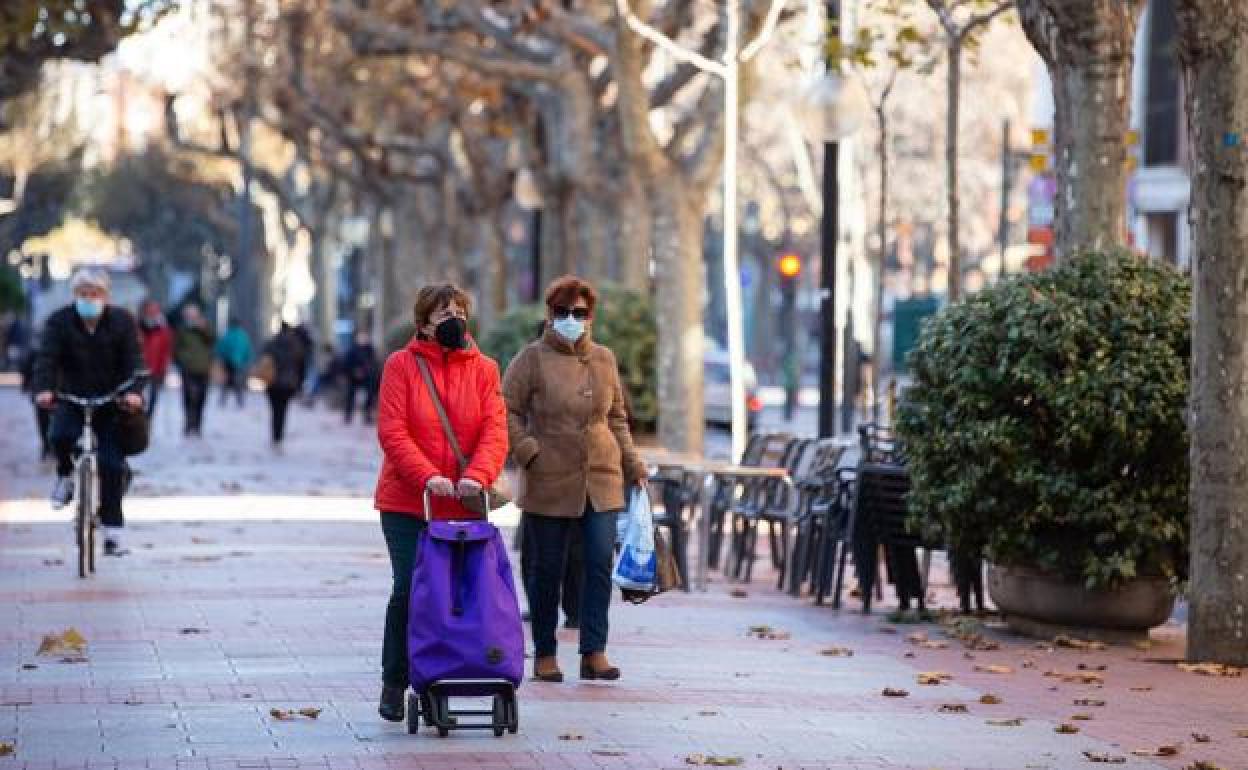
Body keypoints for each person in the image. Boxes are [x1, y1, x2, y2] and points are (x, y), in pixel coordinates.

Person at [372, 283, 508, 722]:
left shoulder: (484, 369)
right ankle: (395, 679)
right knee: (411, 589)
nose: (454, 320)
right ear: (423, 324)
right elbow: (393, 430)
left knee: (462, 597)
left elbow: (495, 431)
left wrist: (476, 476)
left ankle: (444, 674)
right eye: (443, 313)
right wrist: (427, 476)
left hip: (463, 503)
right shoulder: (401, 366)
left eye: (459, 311)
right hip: (409, 502)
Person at [501, 275, 647, 684]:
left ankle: (594, 651)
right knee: (546, 568)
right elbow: (505, 408)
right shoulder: (531, 358)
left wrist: (633, 464)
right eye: (563, 312)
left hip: (601, 477)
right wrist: (527, 449)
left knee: (599, 564)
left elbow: (617, 417)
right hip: (549, 477)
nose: (571, 319)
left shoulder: (604, 358)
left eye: (579, 313)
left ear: (590, 317)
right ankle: (545, 652)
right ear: (549, 314)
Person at [31, 267, 145, 556]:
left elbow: (134, 361)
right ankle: (65, 476)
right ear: (74, 295)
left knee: (111, 464)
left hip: (111, 400)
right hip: (71, 395)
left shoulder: (122, 322)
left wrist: (133, 393)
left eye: (94, 294)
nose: (88, 299)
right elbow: (46, 359)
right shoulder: (59, 322)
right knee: (59, 435)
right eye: (83, 294)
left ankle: (113, 532)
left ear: (106, 296)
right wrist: (44, 389)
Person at [261, 321, 308, 449]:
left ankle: (275, 435)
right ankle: (279, 436)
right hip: (288, 383)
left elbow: (263, 360)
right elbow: (302, 366)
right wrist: (300, 383)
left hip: (272, 382)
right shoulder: (296, 345)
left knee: (274, 410)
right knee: (283, 410)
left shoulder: (271, 343)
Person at [174, 304, 215, 437]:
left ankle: (197, 425)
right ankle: (188, 423)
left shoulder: (205, 327)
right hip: (188, 369)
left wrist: (203, 329)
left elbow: (213, 341)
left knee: (201, 397)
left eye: (193, 315)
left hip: (203, 368)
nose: (191, 318)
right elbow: (176, 348)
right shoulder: (182, 329)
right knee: (188, 397)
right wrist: (182, 359)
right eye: (188, 316)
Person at [137, 299, 173, 418]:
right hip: (139, 370)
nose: (152, 313)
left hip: (156, 370)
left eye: (155, 310)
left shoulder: (164, 330)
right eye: (150, 310)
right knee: (138, 398)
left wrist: (164, 369)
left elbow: (166, 351)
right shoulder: (137, 327)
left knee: (153, 398)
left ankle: (148, 420)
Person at [342, 330, 378, 424]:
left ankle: (367, 415)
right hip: (353, 377)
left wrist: (367, 371)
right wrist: (354, 371)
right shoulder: (352, 349)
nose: (363, 338)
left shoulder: (369, 349)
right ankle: (348, 416)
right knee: (351, 395)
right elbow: (346, 364)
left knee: (370, 394)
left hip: (367, 376)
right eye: (361, 336)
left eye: (365, 336)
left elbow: (373, 363)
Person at [215, 318, 253, 408]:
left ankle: (223, 400)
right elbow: (248, 349)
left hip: (228, 362)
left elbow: (220, 348)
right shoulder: (243, 336)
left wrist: (221, 358)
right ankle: (239, 401)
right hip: (239, 363)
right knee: (236, 381)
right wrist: (247, 361)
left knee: (228, 381)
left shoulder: (227, 334)